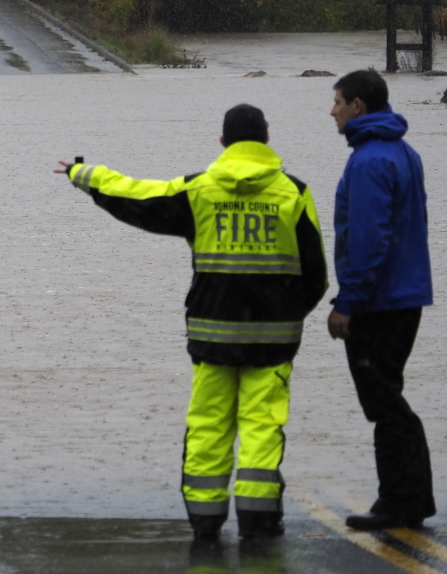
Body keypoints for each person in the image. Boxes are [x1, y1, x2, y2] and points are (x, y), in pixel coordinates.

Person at [54, 104, 328, 541]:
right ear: (267, 141)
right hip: (273, 341)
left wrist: (84, 176)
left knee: (208, 425)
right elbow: (315, 274)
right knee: (262, 427)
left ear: (223, 143)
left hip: (212, 336)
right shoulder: (294, 193)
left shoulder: (198, 190)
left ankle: (205, 522)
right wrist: (286, 315)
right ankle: (259, 521)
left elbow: (137, 197)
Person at [327, 69, 435, 530]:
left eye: (336, 101)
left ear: (357, 106)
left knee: (384, 403)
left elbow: (369, 239)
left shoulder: (369, 161)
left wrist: (347, 301)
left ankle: (402, 501)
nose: (331, 110)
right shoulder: (402, 152)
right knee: (388, 397)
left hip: (380, 302)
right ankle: (404, 498)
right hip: (404, 296)